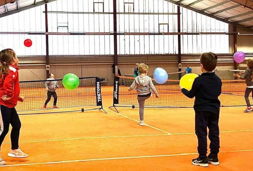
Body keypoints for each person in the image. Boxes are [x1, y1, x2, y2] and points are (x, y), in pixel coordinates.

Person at [181, 52, 222, 167]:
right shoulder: (218, 80)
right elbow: (217, 93)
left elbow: (190, 94)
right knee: (214, 132)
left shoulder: (199, 80)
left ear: (202, 65)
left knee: (201, 133)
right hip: (214, 110)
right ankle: (214, 156)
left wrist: (183, 89)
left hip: (201, 110)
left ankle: (202, 158)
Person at [0, 49, 28, 164]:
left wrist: (17, 97)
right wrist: (9, 95)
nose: (17, 58)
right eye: (16, 56)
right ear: (11, 60)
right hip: (3, 104)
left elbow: (7, 86)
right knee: (3, 129)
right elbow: (7, 85)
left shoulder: (9, 70)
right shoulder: (12, 70)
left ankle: (14, 149)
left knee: (17, 125)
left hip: (9, 104)